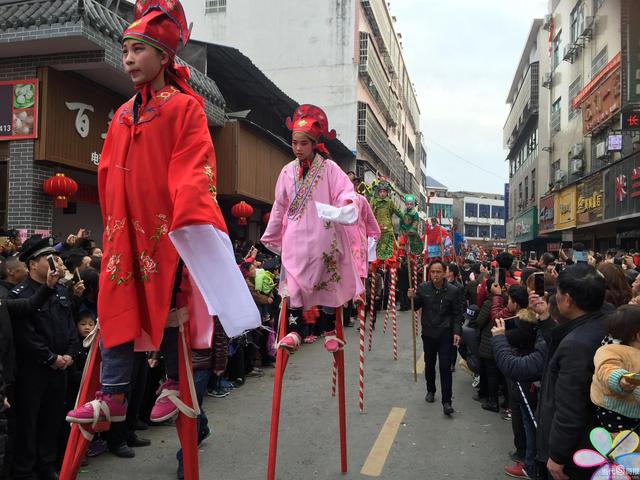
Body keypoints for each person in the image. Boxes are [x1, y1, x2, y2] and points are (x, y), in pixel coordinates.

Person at [66, 0, 259, 443]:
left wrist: (186, 217)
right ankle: (112, 395)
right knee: (116, 301)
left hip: (166, 226)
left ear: (164, 56)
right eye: (125, 50)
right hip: (124, 231)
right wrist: (114, 225)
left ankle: (174, 382)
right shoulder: (120, 114)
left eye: (138, 49)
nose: (129, 58)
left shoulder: (184, 108)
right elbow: (108, 173)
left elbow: (195, 166)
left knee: (171, 303)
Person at [261, 104, 362, 353]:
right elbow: (280, 206)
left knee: (328, 283)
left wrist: (344, 206)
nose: (297, 148)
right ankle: (294, 331)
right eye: (294, 143)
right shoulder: (286, 172)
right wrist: (273, 234)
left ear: (314, 143)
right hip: (296, 238)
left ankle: (329, 331)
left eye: (303, 143)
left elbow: (345, 192)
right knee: (293, 286)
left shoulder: (330, 169)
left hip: (323, 236)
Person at [10, 236, 77, 480]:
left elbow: (70, 326)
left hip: (60, 367)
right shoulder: (20, 293)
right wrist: (50, 358)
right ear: (31, 264)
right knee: (29, 419)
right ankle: (26, 469)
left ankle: (47, 464)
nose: (52, 262)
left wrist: (70, 353)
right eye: (45, 258)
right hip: (34, 369)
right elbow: (25, 335)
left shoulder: (60, 290)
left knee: (53, 417)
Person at [534, 264, 608, 480]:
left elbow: (570, 409)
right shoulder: (604, 322)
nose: (553, 297)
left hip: (574, 453)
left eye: (557, 292)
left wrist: (557, 455)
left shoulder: (576, 345)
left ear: (567, 299)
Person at [408, 260, 462, 416]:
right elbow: (416, 306)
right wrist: (411, 297)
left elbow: (458, 314)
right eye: (433, 272)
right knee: (429, 364)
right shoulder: (423, 288)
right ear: (429, 273)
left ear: (445, 273)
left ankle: (447, 401)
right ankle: (430, 390)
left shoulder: (453, 291)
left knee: (445, 367)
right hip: (429, 334)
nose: (435, 275)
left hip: (445, 334)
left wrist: (457, 332)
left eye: (438, 272)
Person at [591, 305, 640, 432]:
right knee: (623, 445)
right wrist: (621, 379)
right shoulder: (609, 350)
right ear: (637, 334)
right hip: (616, 413)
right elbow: (607, 368)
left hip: (636, 414)